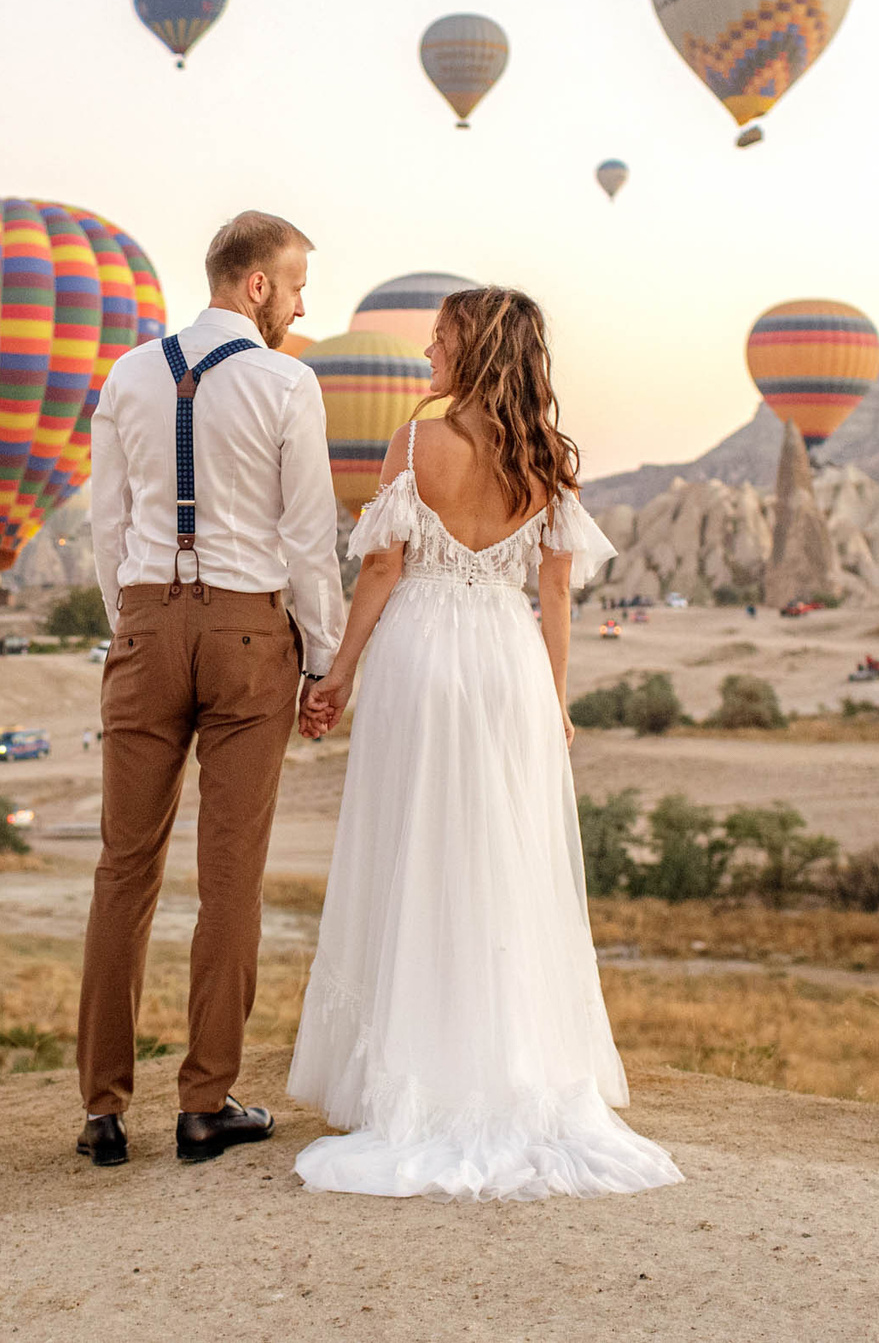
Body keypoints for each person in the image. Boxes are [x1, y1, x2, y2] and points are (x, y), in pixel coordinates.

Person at [290, 286, 682, 1203]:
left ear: (476, 348)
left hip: (423, 655)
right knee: (506, 863)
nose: (428, 350)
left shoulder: (417, 440)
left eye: (441, 338)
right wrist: (556, 703)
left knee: (416, 850)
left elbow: (382, 567)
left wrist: (338, 673)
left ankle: (418, 1070)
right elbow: (555, 599)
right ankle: (508, 1058)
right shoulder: (548, 461)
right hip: (510, 666)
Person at [75, 210, 346, 1169]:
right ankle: (205, 1103)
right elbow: (310, 536)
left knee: (123, 869)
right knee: (230, 877)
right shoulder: (287, 380)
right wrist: (322, 657)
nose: (307, 300)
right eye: (299, 280)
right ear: (257, 286)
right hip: (246, 631)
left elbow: (107, 523)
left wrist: (134, 618)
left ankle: (104, 1110)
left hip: (148, 621)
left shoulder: (126, 373)